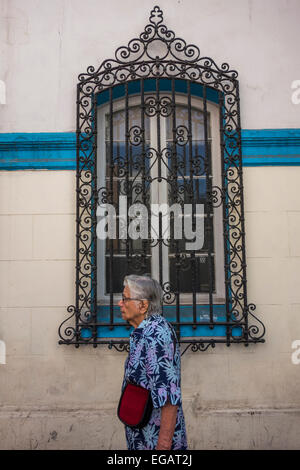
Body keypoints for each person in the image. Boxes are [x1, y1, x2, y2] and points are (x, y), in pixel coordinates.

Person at [118, 274, 188, 450]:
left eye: (125, 299)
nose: (120, 303)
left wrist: (163, 446)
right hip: (142, 435)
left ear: (143, 305)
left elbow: (169, 396)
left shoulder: (156, 336)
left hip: (155, 441)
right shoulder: (145, 332)